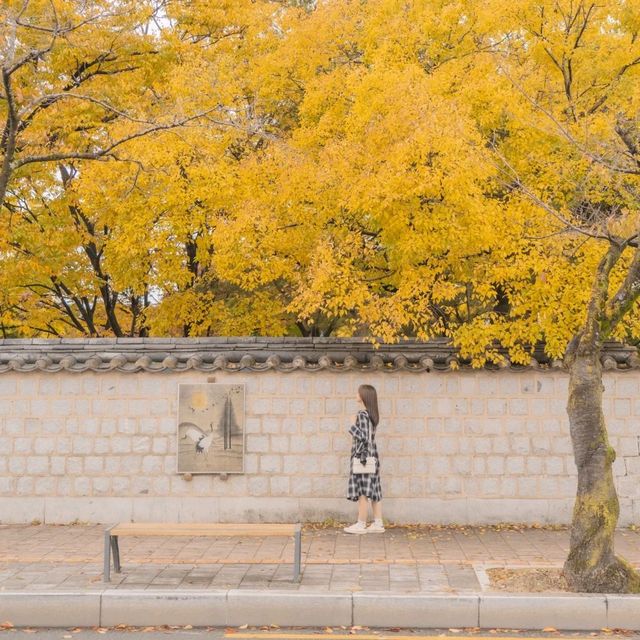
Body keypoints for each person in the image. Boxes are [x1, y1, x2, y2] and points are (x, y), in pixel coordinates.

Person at [344, 384, 384, 534]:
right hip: (372, 457)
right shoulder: (372, 416)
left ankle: (361, 524)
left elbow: (364, 438)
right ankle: (378, 523)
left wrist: (352, 424)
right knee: (374, 490)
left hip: (364, 458)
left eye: (358, 392)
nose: (356, 394)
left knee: (363, 491)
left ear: (364, 396)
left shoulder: (362, 415)